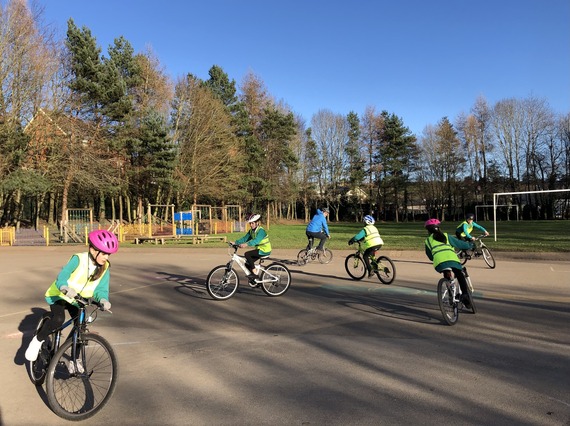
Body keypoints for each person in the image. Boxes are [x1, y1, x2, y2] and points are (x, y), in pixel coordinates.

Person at [25, 229, 118, 363]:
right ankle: (37, 341)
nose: (106, 257)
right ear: (93, 250)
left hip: (77, 300)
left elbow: (101, 288)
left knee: (81, 328)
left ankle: (75, 360)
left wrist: (103, 299)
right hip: (60, 295)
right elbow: (64, 274)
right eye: (104, 253)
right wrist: (63, 287)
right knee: (58, 319)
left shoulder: (105, 267)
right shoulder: (78, 259)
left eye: (108, 254)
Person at [424, 218, 473, 308]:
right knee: (459, 273)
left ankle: (451, 296)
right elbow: (459, 244)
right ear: (439, 227)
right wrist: (471, 245)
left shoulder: (427, 241)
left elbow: (430, 256)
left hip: (439, 262)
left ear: (428, 231)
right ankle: (465, 295)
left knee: (447, 274)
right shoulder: (446, 236)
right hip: (452, 259)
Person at [232, 213, 272, 280]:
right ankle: (256, 279)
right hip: (259, 249)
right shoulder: (251, 231)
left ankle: (255, 275)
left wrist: (246, 244)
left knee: (247, 254)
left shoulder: (261, 231)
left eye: (252, 223)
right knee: (247, 264)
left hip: (265, 250)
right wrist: (235, 242)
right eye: (250, 223)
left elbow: (256, 241)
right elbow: (245, 238)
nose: (251, 225)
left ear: (257, 223)